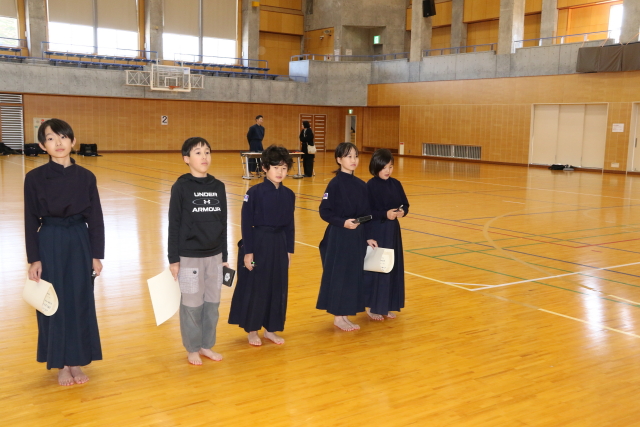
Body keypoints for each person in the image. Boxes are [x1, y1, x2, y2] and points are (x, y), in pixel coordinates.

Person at [24, 118, 104, 386]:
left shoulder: (86, 177)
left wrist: (96, 254)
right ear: (42, 145)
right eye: (50, 138)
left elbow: (96, 218)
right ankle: (59, 363)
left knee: (80, 300)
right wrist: (34, 259)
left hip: (79, 241)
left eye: (63, 137)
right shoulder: (34, 179)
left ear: (72, 141)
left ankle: (76, 361)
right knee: (52, 303)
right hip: (50, 240)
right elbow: (30, 220)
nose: (58, 142)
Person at [168, 137, 228, 366]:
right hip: (189, 257)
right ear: (186, 159)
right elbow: (174, 224)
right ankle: (192, 348)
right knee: (192, 305)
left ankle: (206, 345)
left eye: (207, 152)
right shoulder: (181, 187)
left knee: (212, 305)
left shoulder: (218, 186)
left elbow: (223, 222)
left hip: (215, 257)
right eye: (198, 152)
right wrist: (174, 259)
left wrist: (224, 257)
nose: (204, 156)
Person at [229, 145, 295, 346]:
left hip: (279, 244)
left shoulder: (289, 194)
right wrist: (248, 252)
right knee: (257, 286)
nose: (280, 172)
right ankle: (252, 330)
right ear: (265, 168)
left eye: (284, 168)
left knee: (277, 286)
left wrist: (289, 250)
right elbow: (246, 223)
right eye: (276, 167)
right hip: (259, 243)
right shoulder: (254, 192)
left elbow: (290, 224)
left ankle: (271, 329)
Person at [316, 142, 377, 332]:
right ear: (339, 159)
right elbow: (324, 211)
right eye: (349, 156)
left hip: (357, 236)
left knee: (352, 275)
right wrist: (343, 222)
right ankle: (338, 317)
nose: (353, 160)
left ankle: (345, 314)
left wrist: (368, 236)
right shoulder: (334, 184)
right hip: (339, 236)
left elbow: (367, 214)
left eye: (355, 156)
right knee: (339, 275)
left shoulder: (361, 185)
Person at [363, 149, 409, 321]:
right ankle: (373, 307)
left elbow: (405, 204)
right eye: (384, 167)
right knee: (378, 269)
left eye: (390, 167)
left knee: (391, 267)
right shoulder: (370, 186)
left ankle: (386, 305)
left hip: (393, 231)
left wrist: (402, 212)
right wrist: (385, 214)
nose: (387, 171)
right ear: (376, 167)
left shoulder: (396, 184)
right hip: (377, 230)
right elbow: (366, 213)